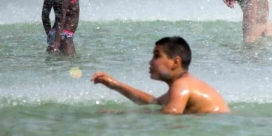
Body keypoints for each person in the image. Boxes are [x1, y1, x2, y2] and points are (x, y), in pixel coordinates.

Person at [91, 36, 228, 115]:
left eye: (157, 56)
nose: (151, 62)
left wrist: (121, 115)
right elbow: (153, 103)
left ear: (176, 62)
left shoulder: (181, 86)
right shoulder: (183, 83)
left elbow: (170, 114)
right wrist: (114, 84)